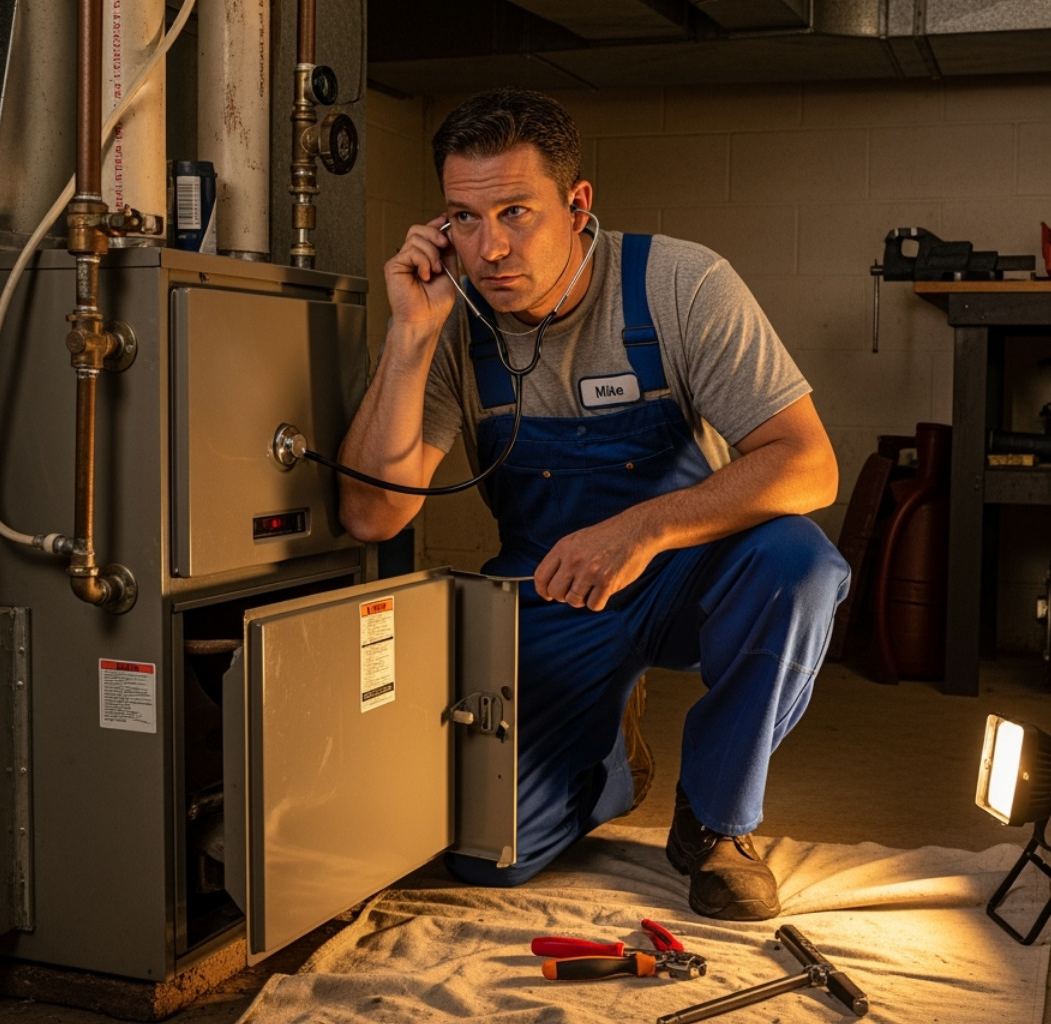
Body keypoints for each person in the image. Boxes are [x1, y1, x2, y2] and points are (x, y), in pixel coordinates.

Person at [338, 87, 849, 921]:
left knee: (800, 564)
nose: (491, 248)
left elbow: (810, 465)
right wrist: (409, 337)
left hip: (690, 573)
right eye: (464, 220)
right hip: (552, 586)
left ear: (578, 205)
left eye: (515, 212)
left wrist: (643, 529)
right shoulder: (449, 325)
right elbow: (373, 515)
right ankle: (612, 750)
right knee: (488, 859)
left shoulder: (678, 284)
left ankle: (718, 822)